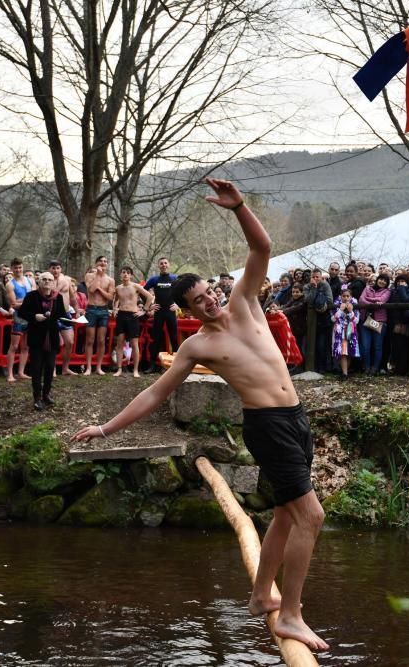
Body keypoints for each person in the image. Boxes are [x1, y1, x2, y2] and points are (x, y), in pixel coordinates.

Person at [73, 178, 329, 651]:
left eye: (210, 291)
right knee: (310, 516)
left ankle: (260, 595)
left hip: (295, 417)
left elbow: (263, 246)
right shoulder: (198, 346)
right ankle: (290, 613)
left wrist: (239, 208)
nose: (209, 300)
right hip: (268, 427)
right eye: (198, 302)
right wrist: (106, 428)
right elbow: (153, 395)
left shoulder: (247, 300)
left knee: (286, 516)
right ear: (187, 311)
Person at [17, 272, 65, 411]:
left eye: (50, 280)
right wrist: (34, 316)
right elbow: (22, 313)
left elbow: (62, 314)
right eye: (44, 279)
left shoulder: (58, 298)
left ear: (53, 283)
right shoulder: (31, 296)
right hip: (37, 336)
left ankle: (46, 394)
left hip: (52, 336)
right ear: (39, 281)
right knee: (36, 368)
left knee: (50, 367)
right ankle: (37, 398)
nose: (47, 282)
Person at [112, 267, 154, 378]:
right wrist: (115, 309)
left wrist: (144, 310)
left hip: (133, 315)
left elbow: (149, 297)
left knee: (134, 344)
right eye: (123, 272)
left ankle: (135, 370)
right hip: (121, 315)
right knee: (119, 343)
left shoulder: (135, 286)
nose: (125, 274)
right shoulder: (118, 288)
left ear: (131, 275)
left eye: (128, 273)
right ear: (120, 275)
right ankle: (119, 369)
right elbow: (115, 300)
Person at [143, 257, 179, 374]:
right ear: (158, 266)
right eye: (161, 263)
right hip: (159, 312)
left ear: (169, 265)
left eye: (165, 263)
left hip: (170, 312)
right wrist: (149, 306)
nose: (163, 265)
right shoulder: (154, 279)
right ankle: (153, 365)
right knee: (155, 339)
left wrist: (178, 304)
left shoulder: (175, 278)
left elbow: (183, 292)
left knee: (174, 338)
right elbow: (143, 291)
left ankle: (177, 365)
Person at [83, 256, 115, 376]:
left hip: (103, 310)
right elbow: (91, 290)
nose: (103, 263)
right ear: (96, 263)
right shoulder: (89, 276)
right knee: (90, 340)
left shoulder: (110, 280)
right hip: (91, 309)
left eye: (105, 261)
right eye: (101, 261)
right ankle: (88, 367)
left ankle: (99, 367)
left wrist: (100, 290)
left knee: (101, 340)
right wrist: (97, 275)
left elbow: (110, 297)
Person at [5, 259, 36, 381]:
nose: (18, 270)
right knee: (14, 345)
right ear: (12, 269)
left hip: (29, 317)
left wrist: (22, 302)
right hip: (18, 317)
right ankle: (10, 374)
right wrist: (27, 302)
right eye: (16, 268)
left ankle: (21, 372)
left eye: (20, 267)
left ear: (23, 267)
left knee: (26, 346)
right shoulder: (10, 284)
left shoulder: (31, 281)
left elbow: (35, 299)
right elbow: (13, 304)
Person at [49, 260, 81, 375]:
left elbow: (72, 297)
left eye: (57, 268)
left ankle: (65, 368)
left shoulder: (67, 280)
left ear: (60, 269)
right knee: (54, 343)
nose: (55, 270)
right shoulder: (47, 280)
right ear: (49, 269)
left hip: (65, 313)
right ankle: (51, 368)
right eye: (53, 268)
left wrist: (77, 310)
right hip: (52, 314)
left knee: (70, 342)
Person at [358, 273, 391, 374]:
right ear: (377, 279)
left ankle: (375, 368)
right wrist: (373, 303)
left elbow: (382, 300)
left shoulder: (387, 291)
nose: (382, 282)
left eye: (385, 281)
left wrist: (368, 301)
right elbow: (361, 300)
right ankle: (366, 367)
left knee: (377, 346)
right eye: (381, 279)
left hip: (379, 321)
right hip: (365, 320)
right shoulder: (367, 288)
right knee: (365, 346)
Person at [331, 288, 359, 380]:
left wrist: (351, 312)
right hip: (340, 332)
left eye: (348, 296)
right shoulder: (336, 306)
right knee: (343, 352)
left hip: (351, 332)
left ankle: (345, 371)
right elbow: (333, 319)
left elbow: (356, 321)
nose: (346, 298)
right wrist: (340, 310)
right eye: (344, 296)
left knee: (349, 352)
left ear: (351, 297)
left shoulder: (354, 306)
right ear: (340, 297)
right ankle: (345, 374)